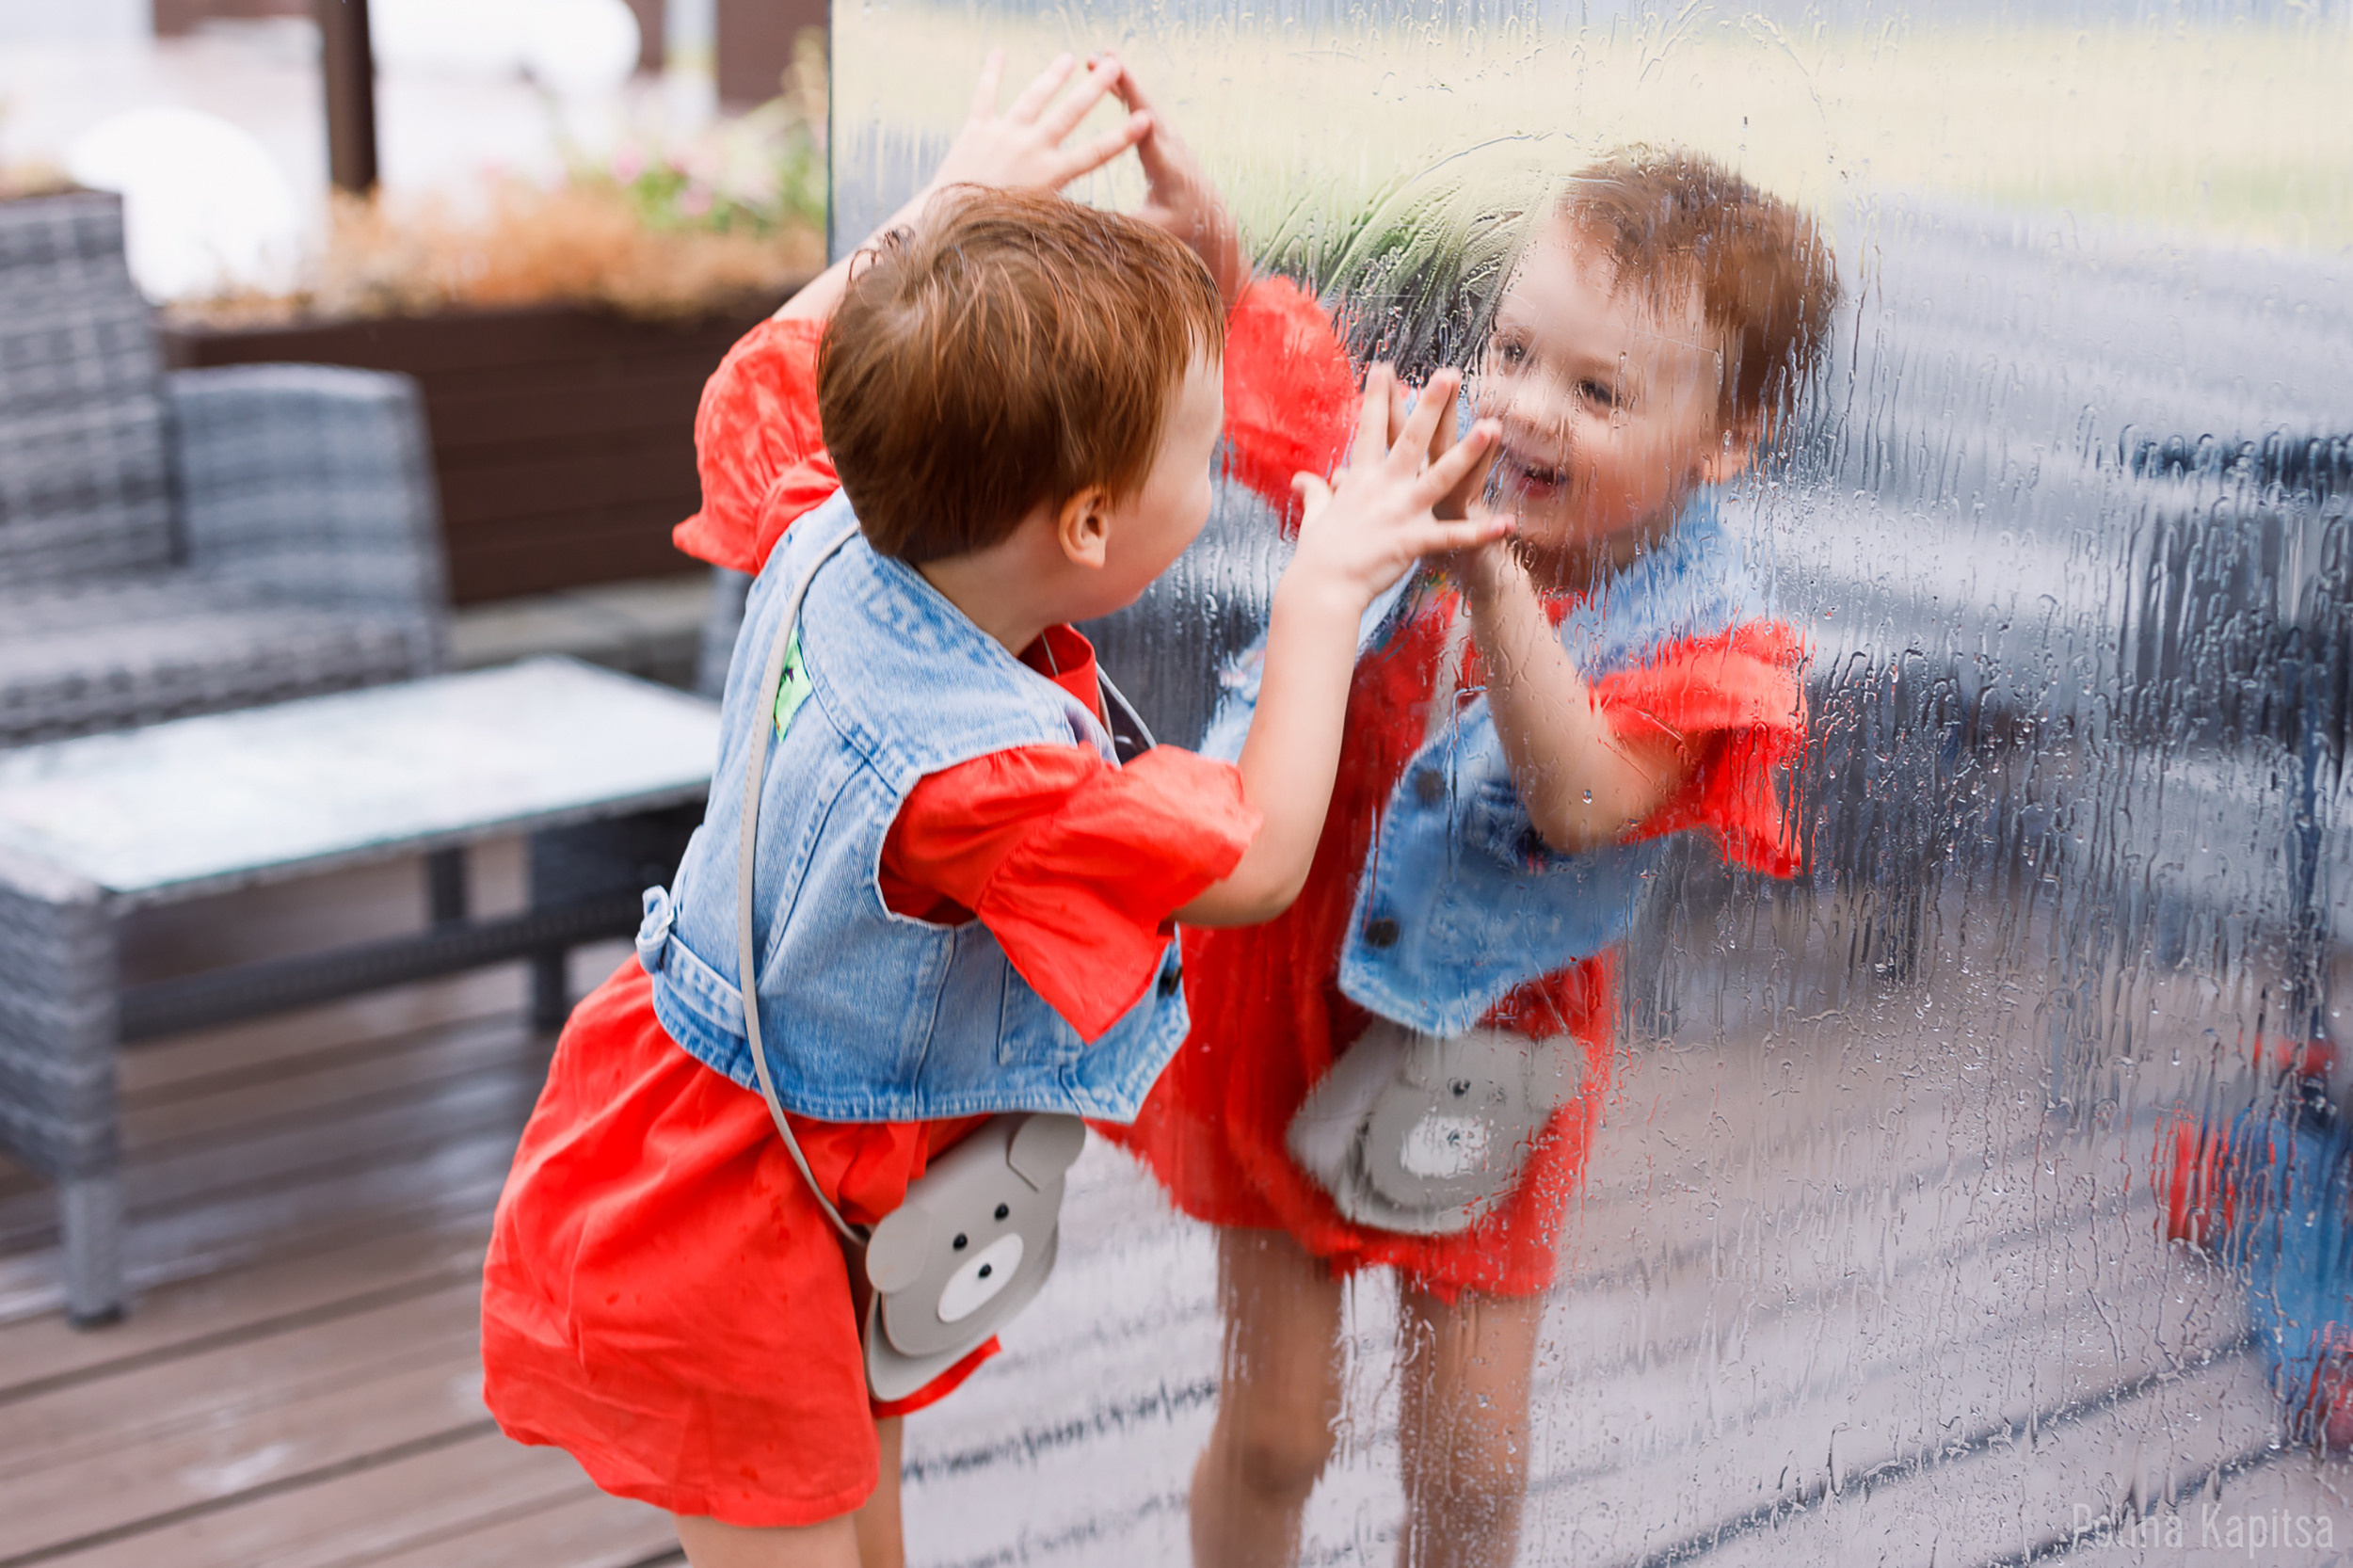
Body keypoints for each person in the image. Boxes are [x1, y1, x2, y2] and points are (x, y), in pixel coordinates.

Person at [475, 52, 1509, 1568]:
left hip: (759, 1136)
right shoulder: (985, 780)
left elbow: (763, 376)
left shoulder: (838, 515)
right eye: (1201, 452)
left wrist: (952, 205)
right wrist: (1327, 584)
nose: (1219, 467)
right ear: (1086, 523)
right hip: (732, 1215)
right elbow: (1252, 854)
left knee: (864, 1525)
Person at [1099, 147, 1839, 1567]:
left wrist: (1491, 577)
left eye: (1598, 392)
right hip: (1286, 982)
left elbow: (1582, 798)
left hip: (1496, 1043)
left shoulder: (1705, 640)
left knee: (1473, 1462)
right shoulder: (1425, 460)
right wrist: (1217, 269)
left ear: (1727, 438)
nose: (1525, 408)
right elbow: (1288, 404)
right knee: (1277, 1430)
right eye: (1512, 351)